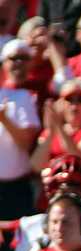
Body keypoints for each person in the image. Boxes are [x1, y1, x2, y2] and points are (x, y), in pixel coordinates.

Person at [0, 43, 40, 220]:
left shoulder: (28, 95)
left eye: (23, 58)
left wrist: (4, 119)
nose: (18, 63)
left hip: (15, 189)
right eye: (13, 58)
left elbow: (26, 142)